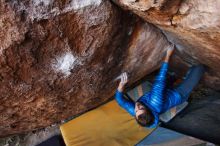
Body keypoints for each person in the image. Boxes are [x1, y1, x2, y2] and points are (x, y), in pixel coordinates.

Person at [115, 44, 205, 128]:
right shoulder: (155, 101)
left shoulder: (137, 113)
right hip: (178, 95)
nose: (137, 106)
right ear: (148, 110)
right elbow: (160, 80)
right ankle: (187, 75)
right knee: (199, 68)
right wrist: (168, 55)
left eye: (136, 110)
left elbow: (120, 101)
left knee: (168, 82)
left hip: (165, 93)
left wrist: (121, 85)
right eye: (141, 108)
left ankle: (175, 77)